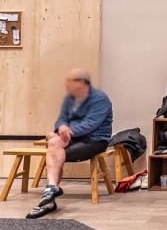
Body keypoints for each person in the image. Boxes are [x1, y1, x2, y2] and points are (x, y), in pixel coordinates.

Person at [26, 68, 113, 219]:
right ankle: (51, 191)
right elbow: (62, 119)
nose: (67, 84)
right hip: (75, 137)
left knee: (55, 155)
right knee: (54, 144)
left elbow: (90, 125)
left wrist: (62, 133)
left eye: (70, 81)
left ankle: (48, 199)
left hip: (95, 140)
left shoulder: (100, 99)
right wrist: (58, 130)